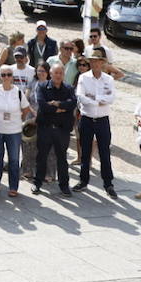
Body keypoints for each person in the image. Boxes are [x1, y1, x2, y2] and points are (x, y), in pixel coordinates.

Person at [74, 49, 118, 197]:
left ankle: (108, 183)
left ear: (102, 63)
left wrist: (94, 98)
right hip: (87, 119)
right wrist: (98, 100)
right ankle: (83, 181)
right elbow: (80, 96)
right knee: (85, 153)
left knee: (105, 152)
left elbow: (111, 98)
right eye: (92, 61)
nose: (94, 63)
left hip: (102, 120)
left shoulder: (108, 79)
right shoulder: (83, 78)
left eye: (97, 61)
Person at [0, 65, 33, 197]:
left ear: (12, 77)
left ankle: (13, 187)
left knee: (13, 158)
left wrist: (18, 120)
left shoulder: (18, 92)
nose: (6, 77)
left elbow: (25, 109)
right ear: (0, 77)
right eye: (4, 75)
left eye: (9, 75)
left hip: (13, 131)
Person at [32, 62, 76, 195]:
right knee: (41, 157)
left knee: (62, 159)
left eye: (60, 73)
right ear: (50, 74)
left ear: (63, 75)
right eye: (55, 73)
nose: (58, 75)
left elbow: (72, 104)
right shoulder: (42, 86)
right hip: (45, 128)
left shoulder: (68, 88)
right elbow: (43, 106)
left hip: (62, 130)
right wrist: (61, 108)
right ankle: (37, 183)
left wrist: (56, 104)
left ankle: (64, 186)